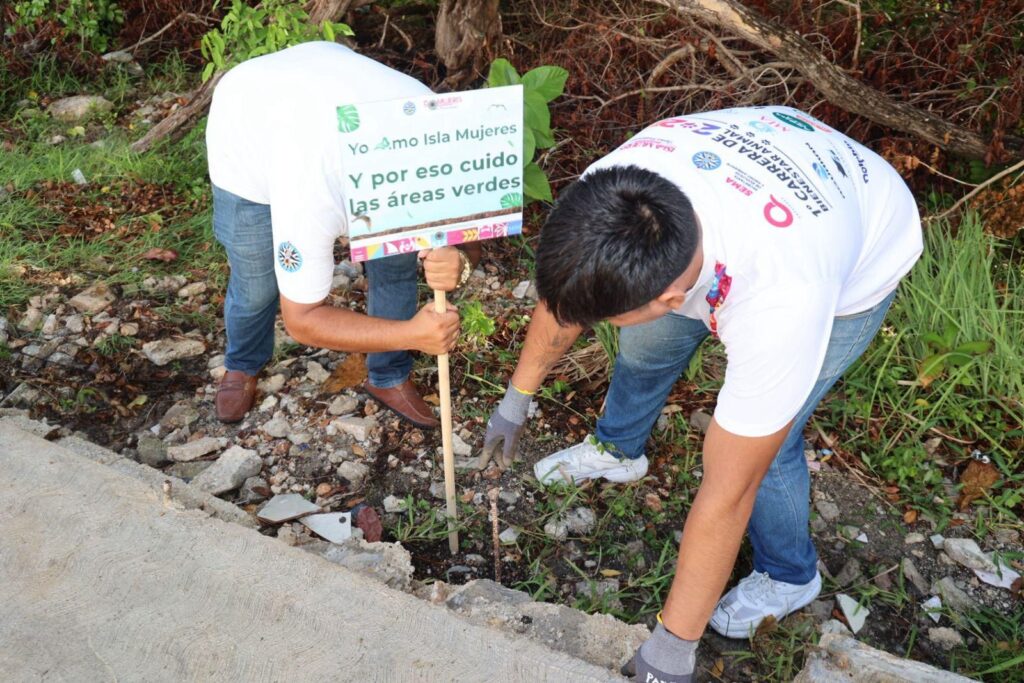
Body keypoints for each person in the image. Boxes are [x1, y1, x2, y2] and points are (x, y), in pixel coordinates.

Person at [482, 106, 922, 681]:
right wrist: (513, 403)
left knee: (774, 445)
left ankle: (790, 574)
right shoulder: (618, 193)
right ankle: (620, 450)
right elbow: (565, 305)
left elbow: (728, 491)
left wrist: (670, 650)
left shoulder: (781, 300)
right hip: (757, 184)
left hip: (856, 245)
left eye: (607, 318)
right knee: (643, 350)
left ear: (668, 295)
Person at [206, 42, 479, 425]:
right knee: (257, 284)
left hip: (326, 75)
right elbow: (302, 319)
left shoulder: (434, 132)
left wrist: (458, 256)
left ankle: (388, 375)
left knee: (396, 267)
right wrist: (414, 334)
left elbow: (475, 222)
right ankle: (243, 363)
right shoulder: (309, 189)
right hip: (245, 121)